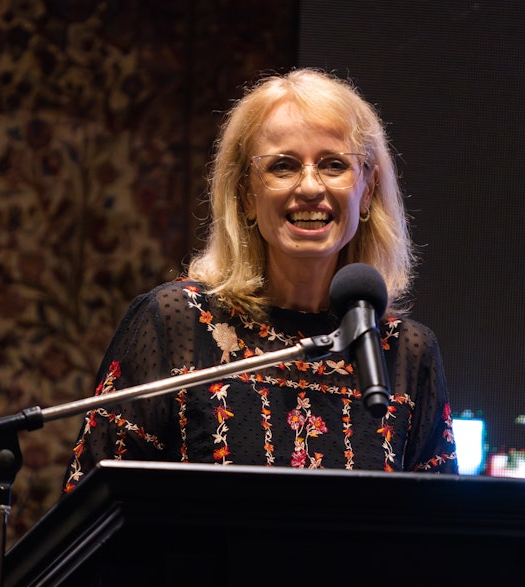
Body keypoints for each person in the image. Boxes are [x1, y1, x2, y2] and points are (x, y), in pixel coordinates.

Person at [63, 68, 457, 493]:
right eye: (283, 166)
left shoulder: (406, 352)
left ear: (367, 188)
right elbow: (90, 508)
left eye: (334, 165)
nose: (310, 187)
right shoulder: (176, 323)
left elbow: (440, 536)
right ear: (247, 194)